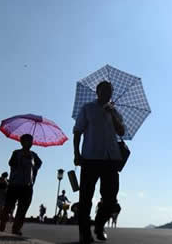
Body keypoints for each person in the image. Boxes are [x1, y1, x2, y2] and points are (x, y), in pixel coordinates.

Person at [74, 81, 125, 244]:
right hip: (90, 157)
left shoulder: (115, 111)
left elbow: (122, 131)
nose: (107, 93)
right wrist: (77, 153)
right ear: (97, 92)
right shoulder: (87, 108)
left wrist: (113, 115)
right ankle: (84, 233)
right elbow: (77, 131)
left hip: (111, 158)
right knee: (85, 198)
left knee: (111, 199)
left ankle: (99, 225)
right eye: (104, 90)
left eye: (110, 91)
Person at [0, 134, 42, 236]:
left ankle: (16, 228)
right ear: (21, 142)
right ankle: (3, 221)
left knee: (23, 208)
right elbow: (11, 163)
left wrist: (34, 169)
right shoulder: (16, 153)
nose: (29, 143)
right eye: (27, 141)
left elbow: (39, 164)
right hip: (15, 184)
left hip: (27, 185)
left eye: (31, 141)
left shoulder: (34, 155)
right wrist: (22, 159)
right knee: (8, 206)